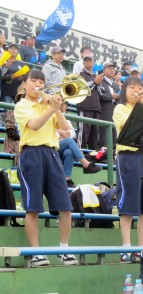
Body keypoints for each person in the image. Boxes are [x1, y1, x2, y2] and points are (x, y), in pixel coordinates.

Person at [14, 69, 78, 267]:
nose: (38, 85)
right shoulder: (22, 105)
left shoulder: (46, 105)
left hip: (51, 154)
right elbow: (33, 126)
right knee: (33, 207)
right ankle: (35, 253)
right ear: (24, 84)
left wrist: (56, 107)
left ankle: (63, 249)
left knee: (65, 206)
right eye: (33, 81)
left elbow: (66, 129)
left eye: (40, 82)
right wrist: (50, 109)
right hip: (31, 155)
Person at [113, 76, 143, 263]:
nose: (137, 91)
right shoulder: (120, 108)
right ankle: (126, 247)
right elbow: (127, 127)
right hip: (128, 157)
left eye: (139, 88)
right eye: (132, 87)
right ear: (124, 91)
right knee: (127, 206)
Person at [57, 102, 101, 188]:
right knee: (69, 141)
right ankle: (85, 164)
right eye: (64, 104)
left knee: (69, 152)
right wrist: (63, 133)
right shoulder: (50, 115)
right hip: (50, 147)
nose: (66, 105)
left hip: (60, 148)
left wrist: (60, 132)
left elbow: (73, 133)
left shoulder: (66, 119)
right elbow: (52, 134)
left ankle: (67, 179)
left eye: (66, 104)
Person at [77, 53, 103, 150]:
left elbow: (101, 92)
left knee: (94, 134)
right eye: (85, 60)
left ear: (93, 62)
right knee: (83, 133)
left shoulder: (96, 75)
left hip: (96, 107)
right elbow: (82, 88)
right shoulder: (80, 75)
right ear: (83, 62)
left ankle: (91, 156)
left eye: (90, 60)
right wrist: (94, 82)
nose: (88, 62)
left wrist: (99, 85)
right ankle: (79, 154)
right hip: (84, 106)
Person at [98, 61, 120, 148]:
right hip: (104, 110)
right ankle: (102, 156)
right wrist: (111, 96)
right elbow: (99, 95)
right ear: (104, 70)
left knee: (114, 134)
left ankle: (112, 154)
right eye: (109, 69)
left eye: (113, 69)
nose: (112, 70)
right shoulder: (100, 81)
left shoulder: (116, 84)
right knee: (103, 133)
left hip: (114, 111)